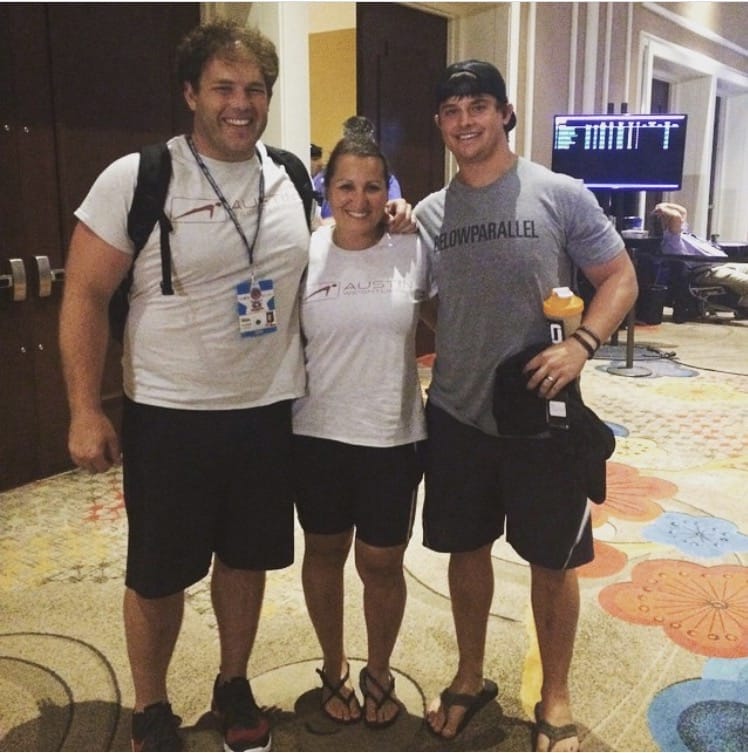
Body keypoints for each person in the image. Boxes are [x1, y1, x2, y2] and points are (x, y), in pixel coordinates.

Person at [59, 19, 413, 753]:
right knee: (158, 574)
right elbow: (85, 295)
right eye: (223, 87)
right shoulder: (138, 177)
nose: (240, 103)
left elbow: (340, 246)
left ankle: (233, 681)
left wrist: (396, 222)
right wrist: (84, 408)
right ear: (191, 93)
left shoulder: (287, 176)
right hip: (171, 412)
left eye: (254, 89)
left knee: (245, 559)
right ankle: (151, 706)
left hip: (268, 412)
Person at [414, 60, 638, 751]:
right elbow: (423, 302)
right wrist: (462, 339)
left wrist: (582, 345)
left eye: (478, 106)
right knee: (466, 550)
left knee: (553, 559)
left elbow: (619, 276)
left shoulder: (559, 193)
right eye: (452, 111)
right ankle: (469, 675)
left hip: (544, 414)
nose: (465, 121)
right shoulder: (429, 214)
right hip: (457, 413)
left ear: (505, 113)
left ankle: (556, 692)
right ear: (439, 123)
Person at [292, 135, 433, 729]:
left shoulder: (413, 247)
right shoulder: (304, 252)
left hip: (391, 435)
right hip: (317, 433)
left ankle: (379, 671)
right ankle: (333, 666)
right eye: (346, 186)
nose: (359, 199)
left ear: (388, 191)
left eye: (373, 186)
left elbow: (450, 318)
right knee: (324, 553)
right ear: (327, 190)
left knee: (381, 561)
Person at [652, 202, 748, 311]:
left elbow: (683, 212)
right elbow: (676, 217)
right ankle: (742, 306)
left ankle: (743, 304)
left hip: (723, 264)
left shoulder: (683, 234)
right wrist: (662, 209)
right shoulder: (671, 241)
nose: (681, 221)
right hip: (707, 272)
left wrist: (662, 205)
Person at [317, 116, 402, 220]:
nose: (359, 203)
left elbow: (394, 216)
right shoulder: (324, 178)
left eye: (372, 188)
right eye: (346, 187)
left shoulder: (388, 181)